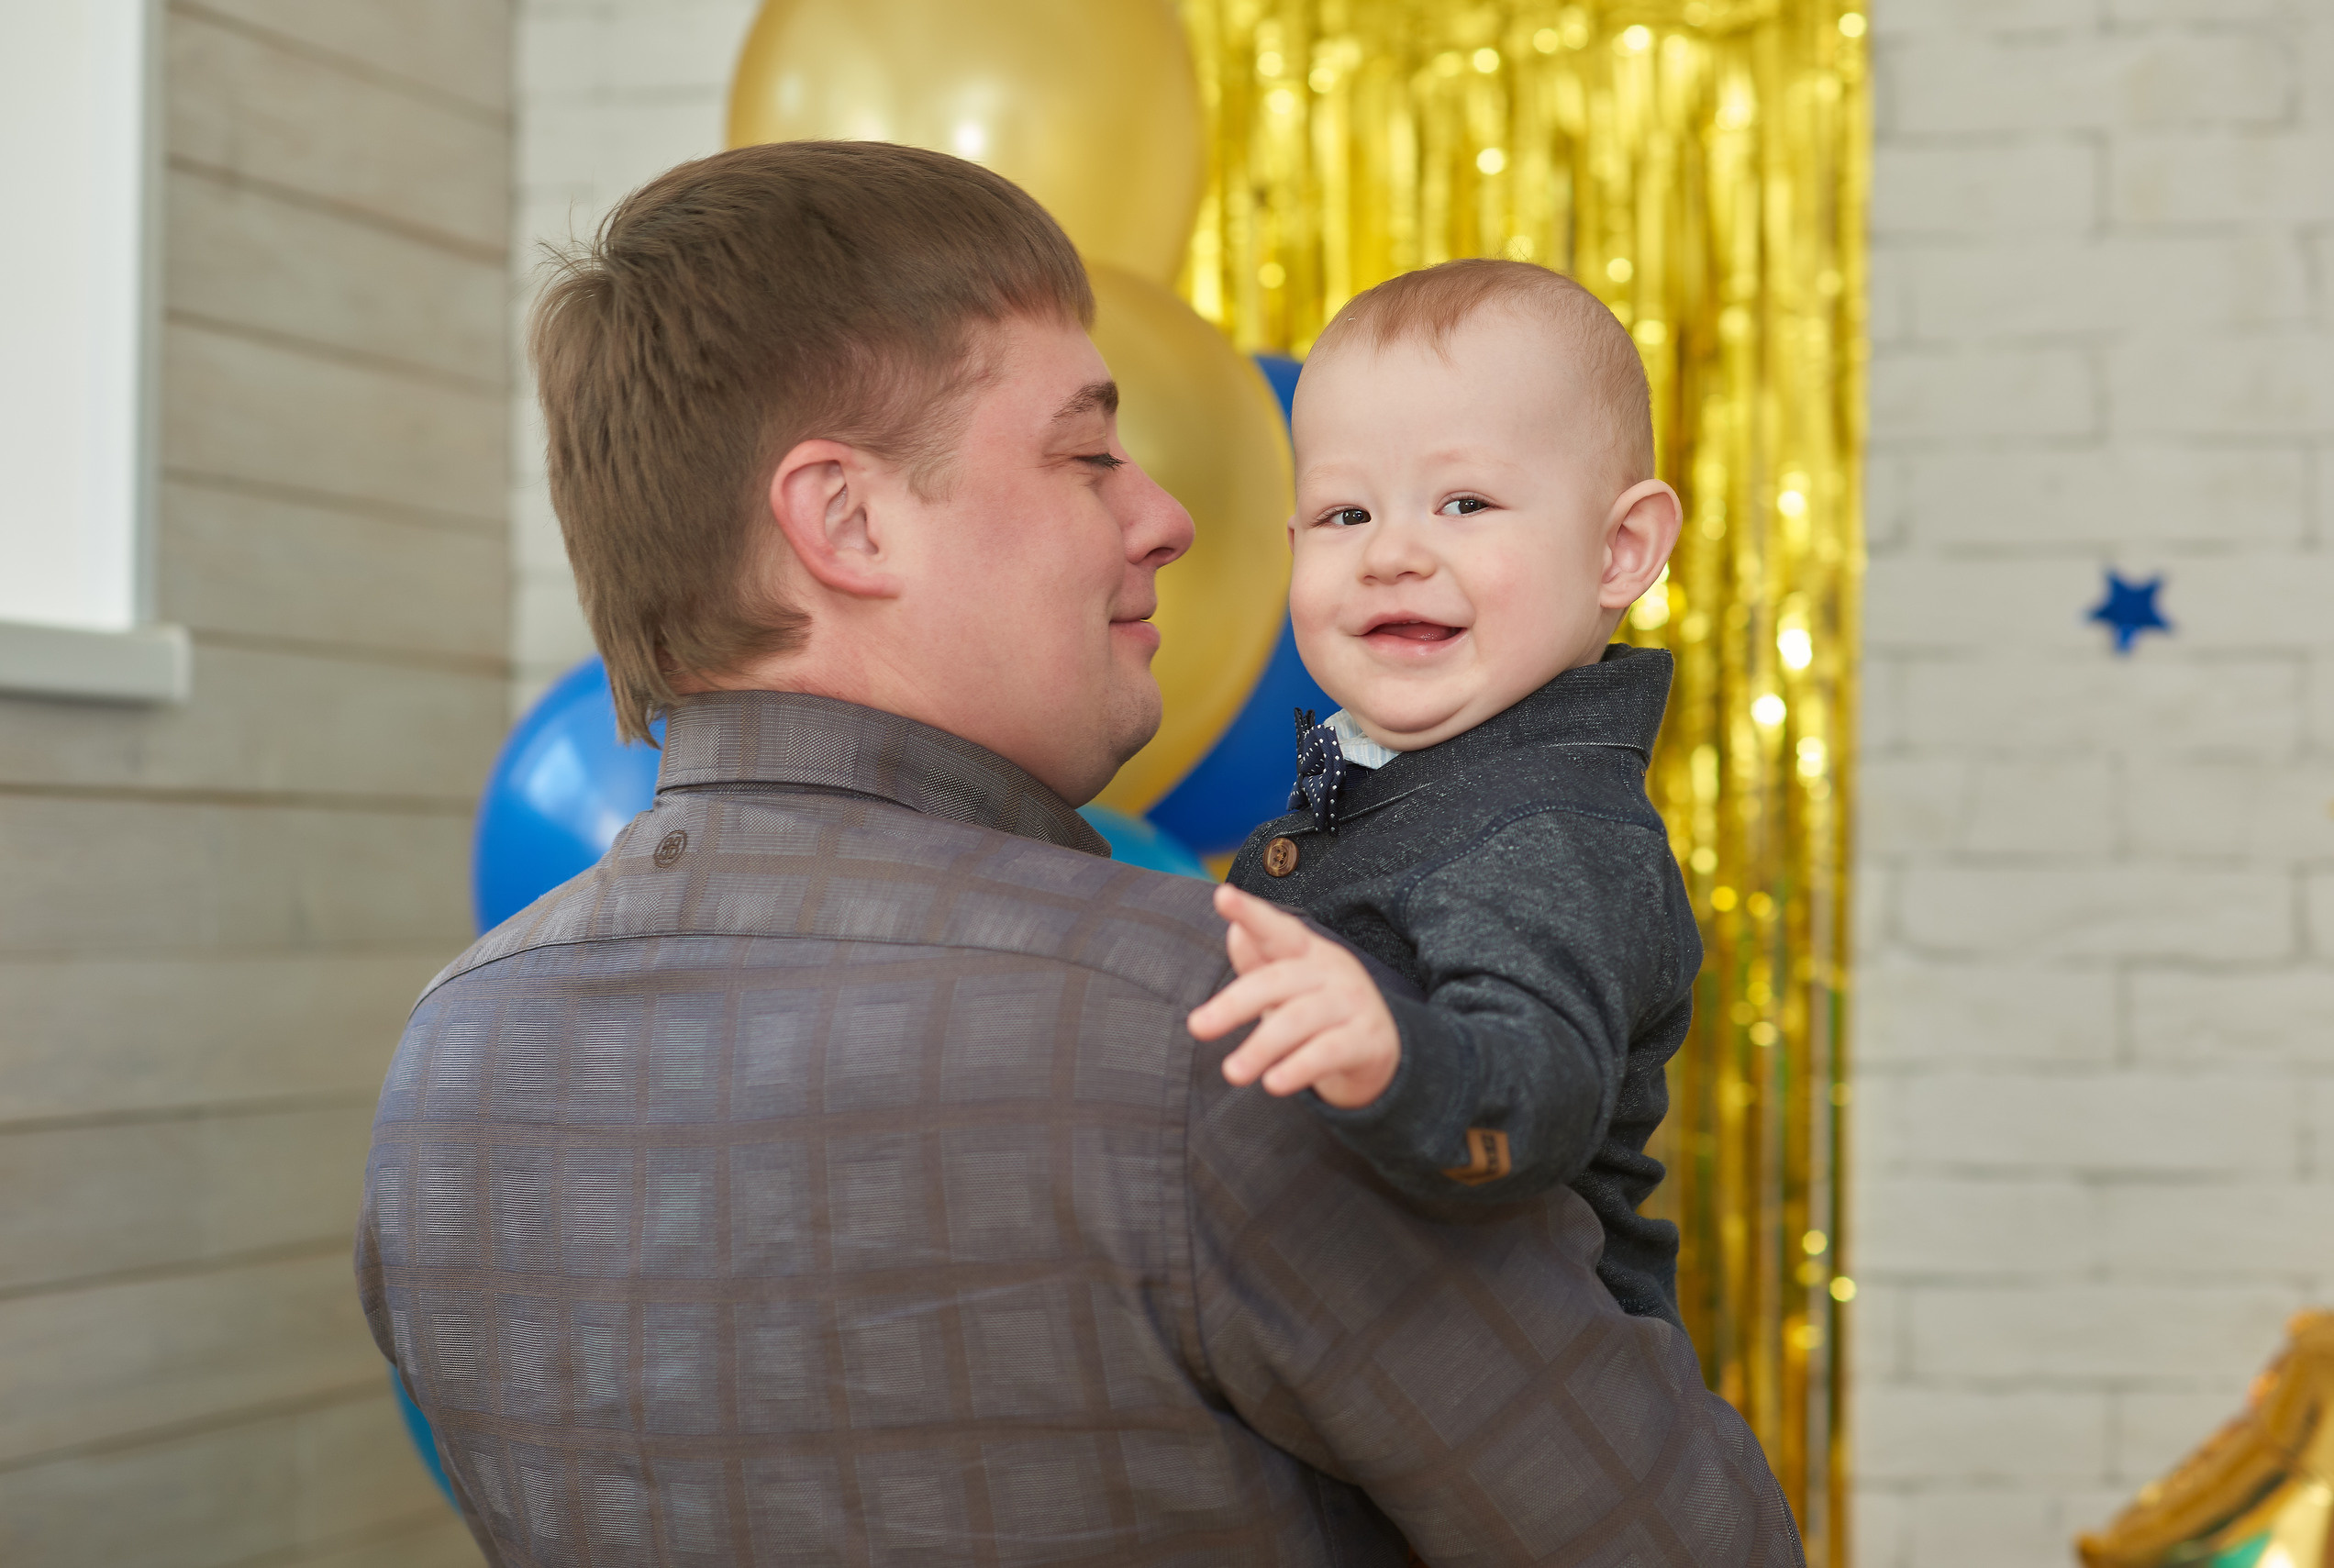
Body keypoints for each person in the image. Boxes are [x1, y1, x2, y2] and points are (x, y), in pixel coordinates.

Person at [355, 142, 1800, 1565]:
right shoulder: (1220, 1026)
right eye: (1091, 452)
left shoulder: (443, 1067)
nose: (1172, 520)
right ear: (846, 519)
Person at [1194, 260, 1696, 1330]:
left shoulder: (1548, 828)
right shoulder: (1381, 773)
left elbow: (1539, 1094)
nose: (1391, 553)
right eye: (1341, 514)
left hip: (1518, 1401)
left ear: (1620, 549)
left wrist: (1392, 1054)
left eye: (1464, 501)